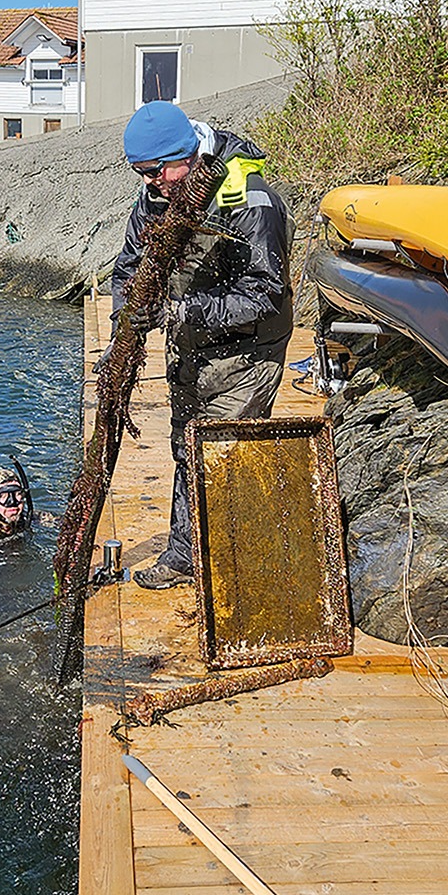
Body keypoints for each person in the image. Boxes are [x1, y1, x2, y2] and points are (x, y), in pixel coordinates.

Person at [111, 100, 293, 589]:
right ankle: (185, 556)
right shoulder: (156, 197)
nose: (150, 182)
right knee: (186, 447)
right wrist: (122, 329)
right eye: (140, 173)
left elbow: (265, 293)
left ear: (186, 155)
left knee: (224, 456)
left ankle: (238, 571)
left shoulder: (251, 201)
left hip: (247, 353)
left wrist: (181, 312)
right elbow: (128, 270)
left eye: (156, 171)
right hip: (190, 349)